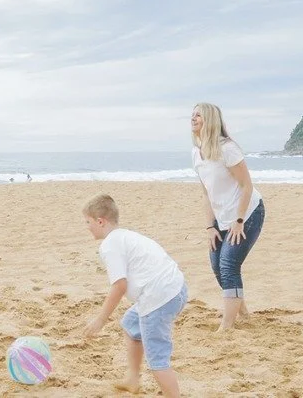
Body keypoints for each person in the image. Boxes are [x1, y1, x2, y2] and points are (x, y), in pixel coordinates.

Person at [83, 194, 187, 398]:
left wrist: (100, 319)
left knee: (157, 358)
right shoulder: (125, 235)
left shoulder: (110, 245)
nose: (87, 227)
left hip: (158, 298)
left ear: (100, 221)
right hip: (176, 288)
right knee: (131, 323)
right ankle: (132, 379)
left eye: (88, 222)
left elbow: (119, 286)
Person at [191, 102, 265, 330]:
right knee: (216, 264)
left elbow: (246, 186)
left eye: (198, 115)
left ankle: (227, 325)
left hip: (247, 214)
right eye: (192, 115)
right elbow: (207, 193)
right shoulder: (197, 153)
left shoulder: (228, 149)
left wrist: (239, 220)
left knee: (228, 264)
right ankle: (242, 312)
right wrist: (209, 227)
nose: (193, 118)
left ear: (210, 120)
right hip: (221, 218)